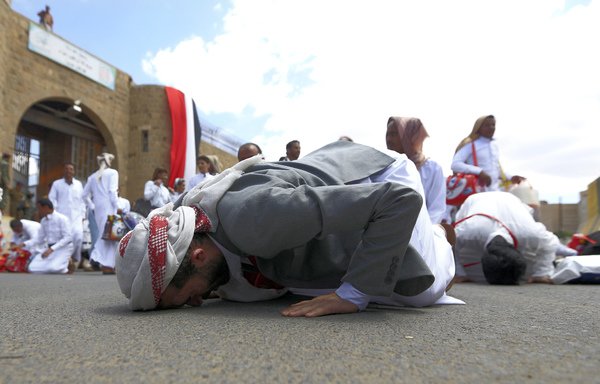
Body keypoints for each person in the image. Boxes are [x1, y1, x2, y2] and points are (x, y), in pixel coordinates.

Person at [116, 141, 461, 315]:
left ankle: (436, 237)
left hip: (379, 179)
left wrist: (352, 296)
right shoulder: (188, 224)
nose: (195, 303)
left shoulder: (257, 219)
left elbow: (396, 202)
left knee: (418, 291)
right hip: (333, 200)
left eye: (184, 296)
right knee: (307, 285)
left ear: (199, 254)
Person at [453, 191, 557, 285]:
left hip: (510, 200)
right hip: (475, 201)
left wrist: (541, 273)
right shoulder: (468, 231)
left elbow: (551, 242)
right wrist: (459, 273)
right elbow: (449, 242)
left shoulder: (530, 233)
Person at [386, 117, 447, 224]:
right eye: (387, 134)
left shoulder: (431, 169)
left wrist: (425, 235)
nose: (389, 139)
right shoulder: (385, 167)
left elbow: (437, 209)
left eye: (394, 134)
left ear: (411, 137)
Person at [451, 115, 525, 192]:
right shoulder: (470, 145)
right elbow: (455, 165)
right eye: (487, 125)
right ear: (479, 128)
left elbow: (496, 170)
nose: (491, 127)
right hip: (476, 192)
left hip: (495, 191)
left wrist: (511, 177)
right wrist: (479, 172)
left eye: (493, 125)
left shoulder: (494, 146)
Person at [82, 153, 119, 274]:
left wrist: (92, 206)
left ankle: (107, 265)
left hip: (98, 209)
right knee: (108, 236)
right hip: (109, 207)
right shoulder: (113, 172)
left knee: (106, 236)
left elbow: (84, 195)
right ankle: (98, 258)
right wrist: (117, 207)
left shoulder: (92, 176)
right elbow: (113, 192)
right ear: (109, 162)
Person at [48, 163, 89, 269]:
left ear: (73, 171)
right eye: (66, 169)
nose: (68, 171)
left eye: (71, 169)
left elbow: (82, 200)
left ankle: (75, 258)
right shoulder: (57, 184)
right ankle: (66, 260)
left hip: (77, 216)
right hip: (62, 216)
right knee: (64, 239)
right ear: (63, 171)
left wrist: (83, 214)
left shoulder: (78, 184)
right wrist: (55, 213)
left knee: (78, 237)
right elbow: (52, 198)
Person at [28, 199, 74, 274]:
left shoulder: (62, 219)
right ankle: (60, 265)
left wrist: (52, 249)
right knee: (32, 268)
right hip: (49, 249)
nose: (38, 211)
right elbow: (40, 239)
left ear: (46, 207)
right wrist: (26, 244)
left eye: (39, 208)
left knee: (53, 268)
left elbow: (68, 238)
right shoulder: (43, 221)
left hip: (62, 248)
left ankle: (68, 263)